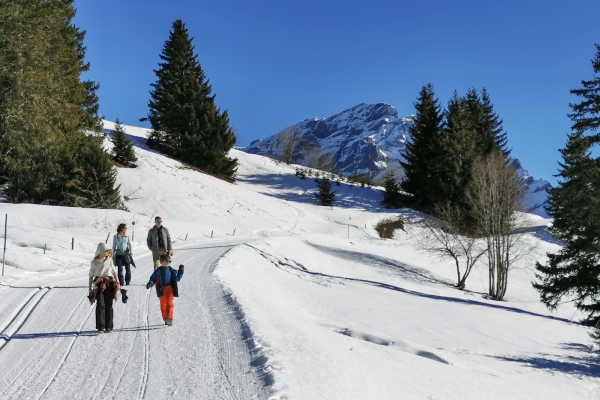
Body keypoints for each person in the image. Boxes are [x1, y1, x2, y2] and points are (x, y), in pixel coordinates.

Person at [89, 243, 120, 333]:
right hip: (98, 284)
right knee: (100, 305)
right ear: (101, 251)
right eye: (106, 251)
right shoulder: (94, 262)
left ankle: (109, 327)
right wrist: (90, 288)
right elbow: (91, 275)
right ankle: (100, 327)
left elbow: (114, 271)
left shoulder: (109, 260)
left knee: (109, 305)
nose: (108, 252)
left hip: (109, 283)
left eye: (108, 251)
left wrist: (118, 282)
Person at [146, 254, 184, 326]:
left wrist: (181, 271)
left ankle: (169, 318)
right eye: (167, 261)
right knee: (163, 305)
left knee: (170, 304)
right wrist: (150, 283)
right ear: (161, 261)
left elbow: (178, 278)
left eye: (170, 261)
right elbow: (153, 278)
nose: (168, 263)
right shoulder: (158, 271)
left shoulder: (171, 270)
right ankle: (165, 318)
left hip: (170, 289)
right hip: (161, 290)